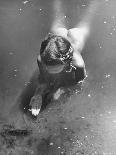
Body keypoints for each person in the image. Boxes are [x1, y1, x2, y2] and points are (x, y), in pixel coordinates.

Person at [29, 30, 86, 115]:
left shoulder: (78, 64)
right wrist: (38, 94)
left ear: (65, 63)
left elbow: (79, 83)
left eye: (55, 70)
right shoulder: (41, 60)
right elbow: (43, 79)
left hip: (76, 36)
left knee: (80, 29)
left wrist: (61, 90)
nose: (49, 72)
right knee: (58, 27)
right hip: (57, 33)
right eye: (47, 68)